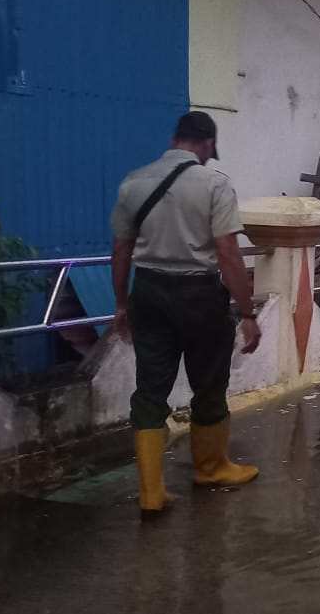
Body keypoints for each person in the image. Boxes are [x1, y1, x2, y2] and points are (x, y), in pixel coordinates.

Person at [110, 111, 262, 518]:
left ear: (175, 138)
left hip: (148, 292)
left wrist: (122, 305)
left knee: (150, 388)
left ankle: (151, 492)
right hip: (198, 295)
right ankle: (211, 469)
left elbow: (121, 249)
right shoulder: (215, 184)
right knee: (209, 382)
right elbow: (228, 252)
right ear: (208, 144)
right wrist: (247, 313)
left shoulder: (133, 182)